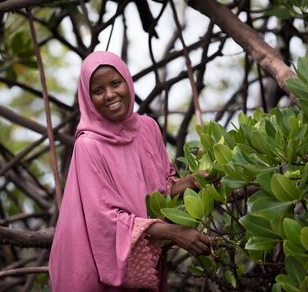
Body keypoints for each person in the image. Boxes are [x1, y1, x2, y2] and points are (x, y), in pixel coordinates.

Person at [49, 51, 212, 292]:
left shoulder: (148, 128)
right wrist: (174, 232)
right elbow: (106, 221)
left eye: (115, 83)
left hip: (144, 257)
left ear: (127, 81)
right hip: (94, 268)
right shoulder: (88, 145)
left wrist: (191, 181)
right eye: (98, 90)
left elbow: (159, 194)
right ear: (87, 98)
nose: (110, 95)